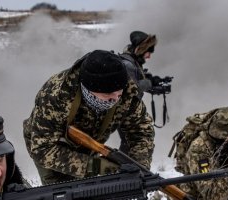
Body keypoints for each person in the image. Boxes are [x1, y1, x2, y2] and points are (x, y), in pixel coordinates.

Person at [23, 49, 155, 185]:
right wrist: (97, 166)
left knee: (88, 197)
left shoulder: (127, 91)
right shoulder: (56, 96)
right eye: (108, 95)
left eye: (119, 94)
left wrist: (138, 169)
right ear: (89, 90)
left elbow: (141, 131)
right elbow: (43, 149)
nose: (116, 99)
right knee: (65, 199)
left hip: (90, 147)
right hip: (51, 149)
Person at [119, 30, 158, 99]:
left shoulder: (132, 60)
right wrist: (150, 82)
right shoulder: (128, 64)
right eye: (148, 53)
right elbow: (133, 88)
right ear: (141, 50)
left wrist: (146, 77)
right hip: (127, 108)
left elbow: (133, 78)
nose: (149, 56)